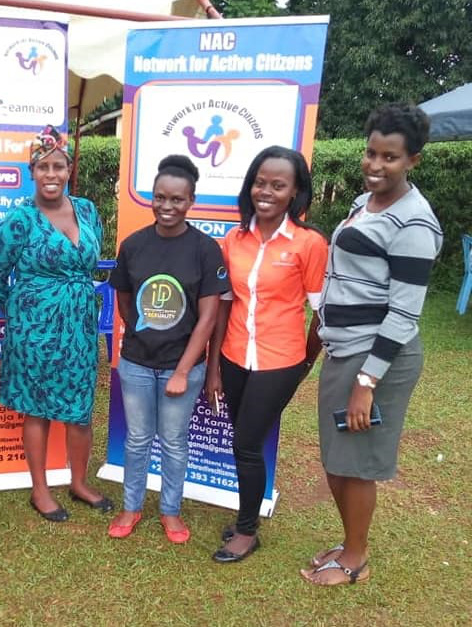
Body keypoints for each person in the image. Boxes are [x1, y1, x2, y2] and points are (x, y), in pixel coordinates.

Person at [301, 104, 442, 585]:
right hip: (345, 349)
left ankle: (355, 557)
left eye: (390, 157)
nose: (375, 164)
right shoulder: (366, 203)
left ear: (413, 160)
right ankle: (349, 541)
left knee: (356, 463)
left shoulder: (414, 224)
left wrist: (366, 382)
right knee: (337, 457)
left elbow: (404, 313)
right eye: (371, 152)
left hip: (376, 358)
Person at [205, 146, 329, 562]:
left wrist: (305, 362)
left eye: (278, 185)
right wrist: (214, 365)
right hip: (234, 355)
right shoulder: (234, 239)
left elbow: (322, 312)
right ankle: (246, 518)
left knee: (245, 443)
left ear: (295, 192)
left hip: (280, 361)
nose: (267, 192)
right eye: (260, 182)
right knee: (244, 442)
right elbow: (224, 305)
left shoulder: (309, 244)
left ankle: (246, 531)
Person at [0, 125, 113, 522]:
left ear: (69, 169)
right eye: (43, 167)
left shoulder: (87, 210)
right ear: (32, 171)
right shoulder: (20, 220)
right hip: (33, 331)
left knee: (80, 407)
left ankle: (79, 482)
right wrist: (25, 311)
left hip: (79, 327)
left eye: (59, 166)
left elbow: (90, 260)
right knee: (36, 409)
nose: (51, 174)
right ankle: (40, 490)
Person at [107, 155, 229, 543]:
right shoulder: (133, 245)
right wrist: (142, 333)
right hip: (137, 363)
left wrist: (183, 370)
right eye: (160, 197)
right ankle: (131, 507)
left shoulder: (205, 250)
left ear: (191, 201)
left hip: (183, 367)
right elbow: (124, 298)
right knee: (137, 439)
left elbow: (208, 317)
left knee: (174, 442)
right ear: (152, 197)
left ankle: (170, 511)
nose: (167, 206)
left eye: (177, 199)